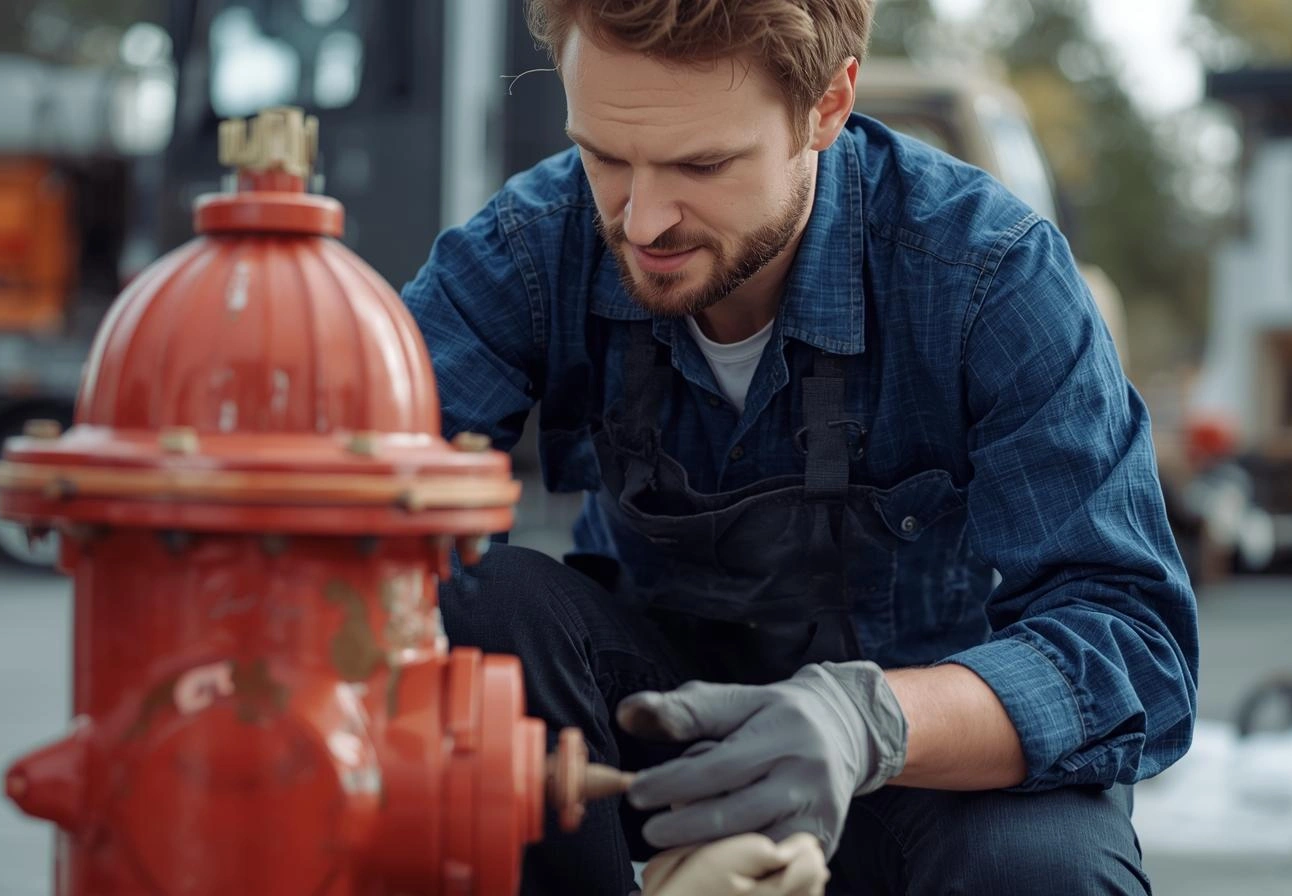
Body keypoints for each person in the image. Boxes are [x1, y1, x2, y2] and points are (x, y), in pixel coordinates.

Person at [400, 1, 1199, 893]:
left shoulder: (988, 278)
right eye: (606, 157)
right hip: (647, 739)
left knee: (1045, 872)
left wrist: (867, 720)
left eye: (703, 163)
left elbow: (1135, 644)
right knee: (475, 603)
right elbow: (356, 502)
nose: (643, 222)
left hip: (922, 761)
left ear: (827, 105)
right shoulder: (535, 243)